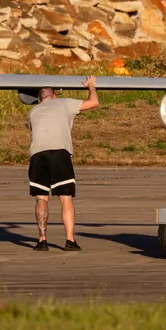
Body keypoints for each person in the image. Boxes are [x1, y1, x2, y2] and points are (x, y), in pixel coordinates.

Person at [27, 76, 99, 252]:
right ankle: (69, 240)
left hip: (37, 153)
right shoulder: (63, 103)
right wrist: (91, 86)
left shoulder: (33, 111)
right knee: (65, 199)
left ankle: (42, 240)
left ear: (39, 98)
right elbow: (93, 103)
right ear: (54, 94)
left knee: (41, 198)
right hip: (59, 152)